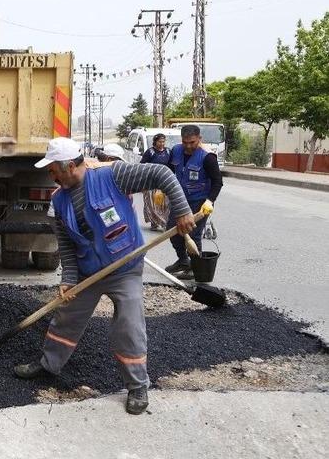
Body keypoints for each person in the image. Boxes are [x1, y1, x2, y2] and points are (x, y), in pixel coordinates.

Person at [14, 137, 196, 415]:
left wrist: (182, 210)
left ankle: (137, 386)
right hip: (89, 272)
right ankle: (49, 365)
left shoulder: (114, 175)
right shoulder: (58, 202)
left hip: (124, 269)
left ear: (69, 166)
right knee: (67, 316)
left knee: (129, 323)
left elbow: (161, 173)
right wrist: (69, 279)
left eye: (52, 169)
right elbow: (67, 246)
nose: (50, 175)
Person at [164, 125, 223, 279]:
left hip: (201, 202)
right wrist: (160, 188)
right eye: (185, 142)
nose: (189, 146)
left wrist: (210, 201)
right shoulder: (176, 151)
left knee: (194, 233)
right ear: (181, 140)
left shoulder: (207, 157)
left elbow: (218, 182)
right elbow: (168, 172)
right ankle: (184, 261)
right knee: (172, 230)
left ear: (199, 139)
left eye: (192, 142)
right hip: (180, 199)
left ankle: (195, 267)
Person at [140, 133, 172, 231]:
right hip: (152, 183)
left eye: (163, 142)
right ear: (155, 142)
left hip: (164, 181)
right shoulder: (150, 152)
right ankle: (155, 222)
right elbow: (142, 166)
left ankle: (164, 221)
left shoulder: (168, 151)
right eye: (160, 142)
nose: (162, 144)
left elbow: (172, 165)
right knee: (152, 204)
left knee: (165, 204)